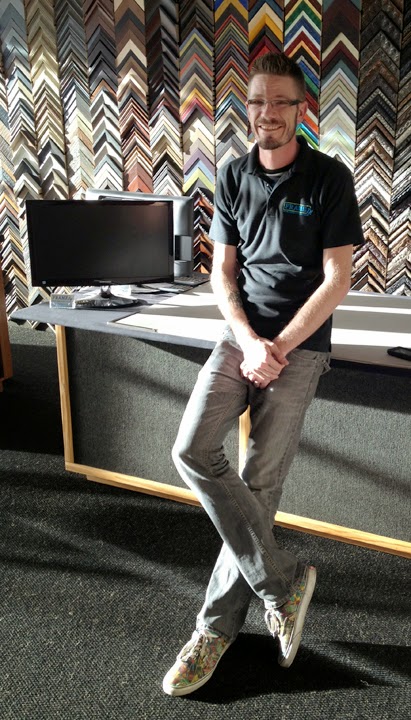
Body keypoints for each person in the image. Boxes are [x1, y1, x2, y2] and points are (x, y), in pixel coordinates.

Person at [162, 51, 364, 697]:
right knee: (190, 449)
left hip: (298, 347)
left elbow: (337, 277)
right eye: (256, 101)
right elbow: (223, 273)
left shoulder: (328, 177)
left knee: (259, 482)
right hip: (240, 338)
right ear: (245, 107)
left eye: (280, 101)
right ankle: (281, 582)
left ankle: (213, 631)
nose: (266, 113)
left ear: (302, 109)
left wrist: (276, 347)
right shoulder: (232, 174)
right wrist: (249, 341)